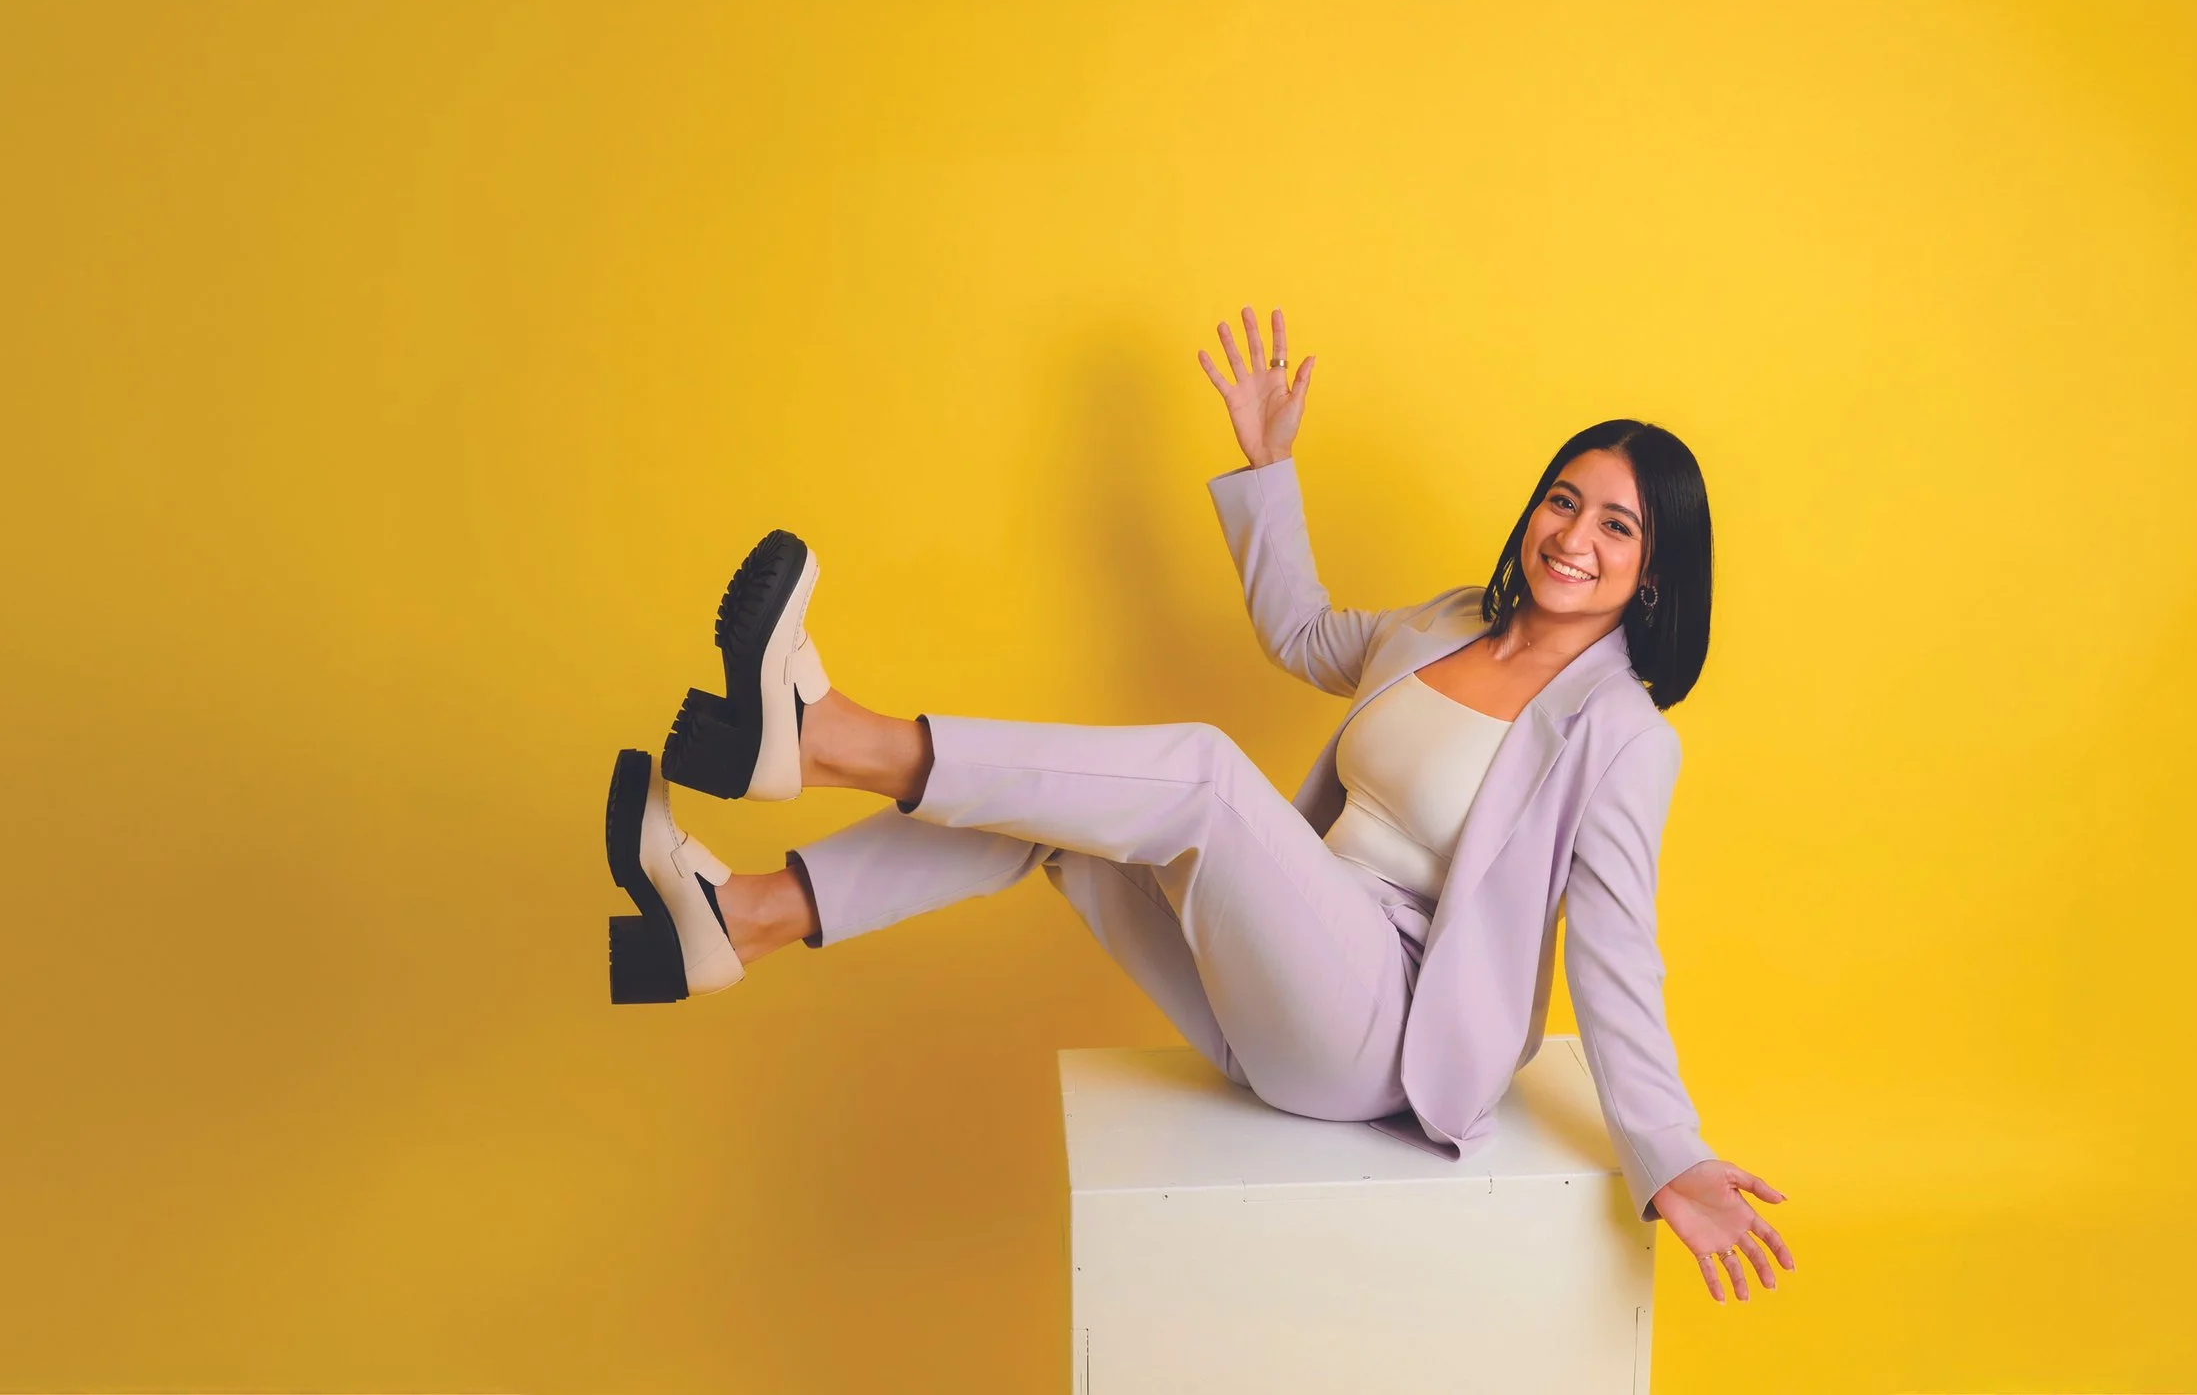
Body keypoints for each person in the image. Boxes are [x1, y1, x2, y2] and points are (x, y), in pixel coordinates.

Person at [601, 306, 1797, 1303]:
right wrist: (1268, 466)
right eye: (1562, 498)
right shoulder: (1444, 623)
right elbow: (1299, 630)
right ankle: (738, 916)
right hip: (1276, 985)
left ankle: (828, 738)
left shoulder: (1622, 735)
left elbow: (1618, 957)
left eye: (1616, 524)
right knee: (1067, 816)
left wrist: (1667, 1153)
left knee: (1203, 774)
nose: (1573, 534)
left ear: (1655, 572)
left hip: (1379, 1036)